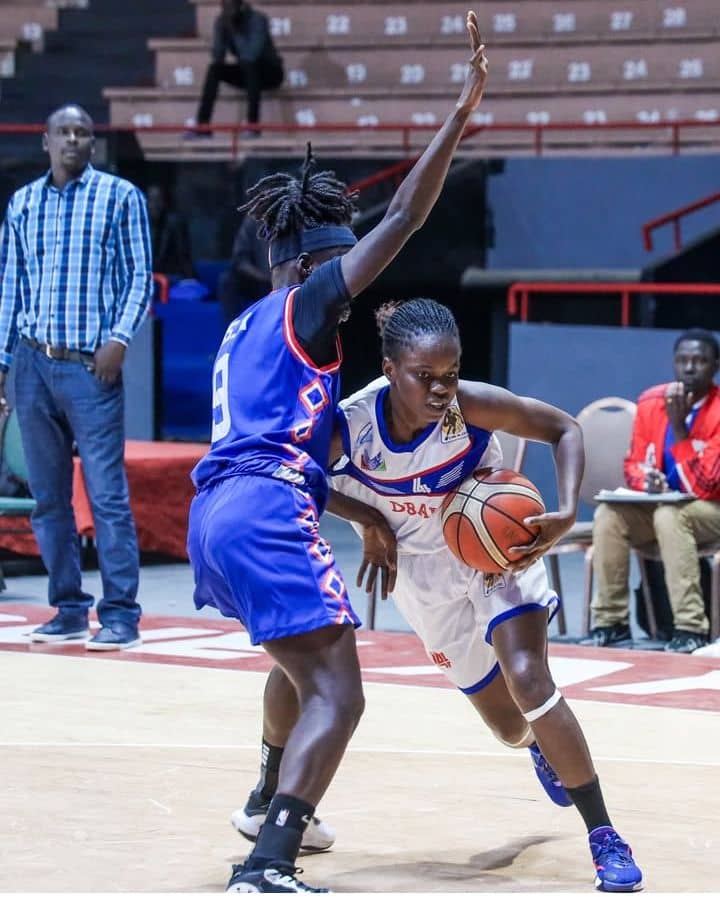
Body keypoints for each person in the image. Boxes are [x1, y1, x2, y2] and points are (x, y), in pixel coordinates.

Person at [186, 14, 488, 892]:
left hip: (219, 512)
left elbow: (297, 457)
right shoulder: (309, 303)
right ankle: (267, 863)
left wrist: (365, 516)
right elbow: (404, 215)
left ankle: (266, 797)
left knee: (299, 659)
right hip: (264, 509)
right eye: (343, 265)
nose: (354, 285)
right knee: (340, 691)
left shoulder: (244, 325)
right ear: (317, 261)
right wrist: (460, 113)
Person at [326, 298, 643, 893]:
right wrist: (369, 520)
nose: (441, 390)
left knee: (529, 678)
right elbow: (296, 474)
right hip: (422, 575)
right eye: (425, 377)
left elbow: (564, 429)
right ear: (390, 369)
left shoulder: (468, 406)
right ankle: (537, 744)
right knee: (509, 726)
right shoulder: (351, 424)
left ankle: (604, 835)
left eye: (450, 374)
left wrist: (565, 509)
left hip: (496, 551)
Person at [0, 103, 152, 651]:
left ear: (93, 142)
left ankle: (121, 616)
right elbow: (11, 288)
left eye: (82, 132)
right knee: (48, 499)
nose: (72, 139)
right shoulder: (22, 204)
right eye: (63, 132)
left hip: (91, 366)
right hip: (32, 363)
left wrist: (119, 339)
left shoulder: (120, 196)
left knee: (106, 496)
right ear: (45, 141)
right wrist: (2, 364)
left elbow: (140, 276)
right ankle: (67, 609)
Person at [587, 329, 720, 654]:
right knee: (609, 515)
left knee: (670, 516)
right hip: (666, 508)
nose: (690, 368)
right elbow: (633, 463)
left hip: (711, 509)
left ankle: (690, 628)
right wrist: (647, 480)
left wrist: (679, 429)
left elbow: (706, 484)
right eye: (683, 360)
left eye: (700, 361)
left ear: (715, 366)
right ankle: (611, 623)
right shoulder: (651, 402)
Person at [189, 0, 284, 137]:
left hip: (270, 72)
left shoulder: (257, 20)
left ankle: (253, 125)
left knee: (250, 67)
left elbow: (251, 55)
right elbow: (218, 57)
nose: (227, 10)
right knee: (214, 69)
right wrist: (220, 33)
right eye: (224, 6)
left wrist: (234, 30)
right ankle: (203, 125)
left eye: (231, 6)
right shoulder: (222, 21)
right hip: (246, 73)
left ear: (240, 6)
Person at [218, 215, 271, 327]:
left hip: (292, 280)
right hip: (263, 281)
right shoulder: (253, 219)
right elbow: (240, 260)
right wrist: (263, 277)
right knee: (228, 281)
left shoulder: (296, 215)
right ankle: (233, 330)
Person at [147, 183, 194, 279]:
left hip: (171, 277)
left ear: (164, 202)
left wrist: (189, 279)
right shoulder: (141, 224)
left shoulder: (175, 224)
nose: (155, 205)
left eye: (158, 200)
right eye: (151, 200)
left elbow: (183, 257)